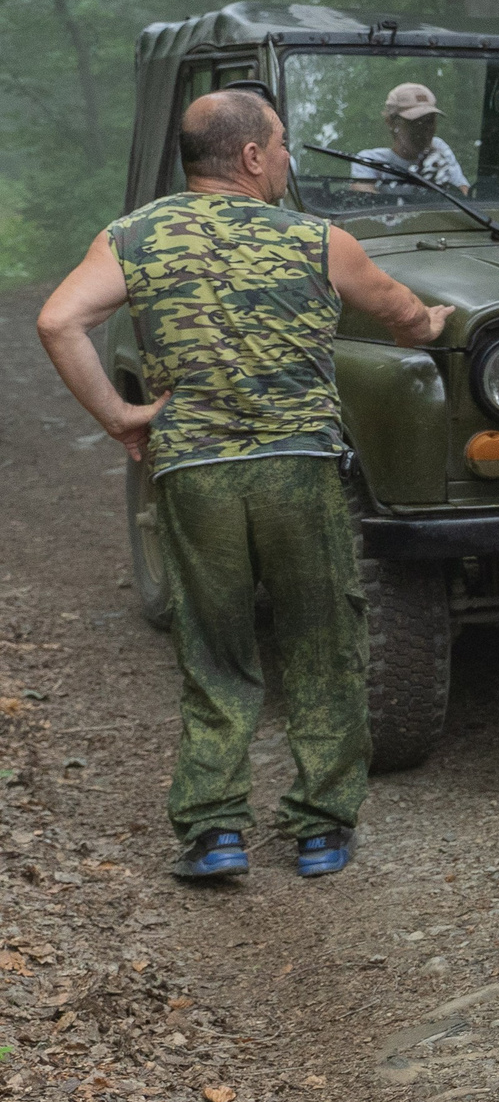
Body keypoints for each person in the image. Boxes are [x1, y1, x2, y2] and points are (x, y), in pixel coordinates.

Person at [36, 88, 450, 880]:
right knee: (324, 642)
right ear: (254, 156)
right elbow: (404, 316)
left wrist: (120, 414)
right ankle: (323, 827)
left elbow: (59, 320)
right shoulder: (319, 239)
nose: (289, 157)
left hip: (195, 473)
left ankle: (215, 830)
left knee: (215, 647)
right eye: (284, 144)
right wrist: (430, 323)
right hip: (298, 468)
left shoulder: (133, 235)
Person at [352, 82, 471, 194]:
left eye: (429, 121)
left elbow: (464, 194)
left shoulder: (438, 148)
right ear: (391, 123)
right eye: (415, 122)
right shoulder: (370, 161)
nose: (424, 129)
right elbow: (364, 199)